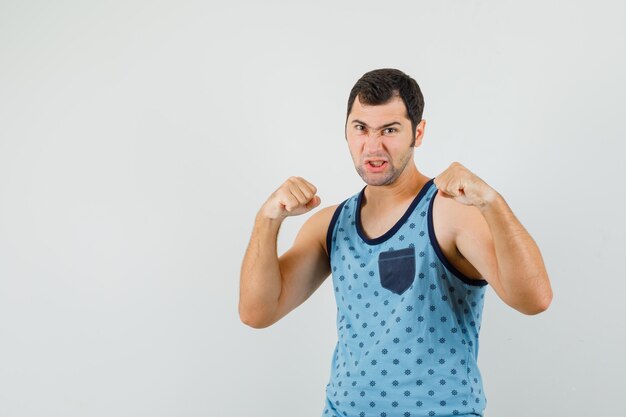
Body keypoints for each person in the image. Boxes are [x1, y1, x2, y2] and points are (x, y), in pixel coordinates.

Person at [239, 68, 553, 417]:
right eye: (361, 128)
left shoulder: (449, 212)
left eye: (389, 130)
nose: (373, 146)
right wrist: (267, 220)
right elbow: (257, 313)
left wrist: (492, 203)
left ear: (418, 132)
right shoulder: (329, 224)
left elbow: (534, 299)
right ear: (346, 131)